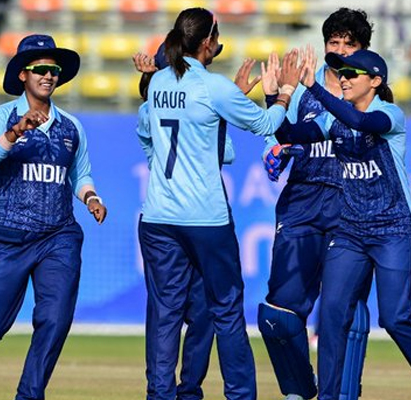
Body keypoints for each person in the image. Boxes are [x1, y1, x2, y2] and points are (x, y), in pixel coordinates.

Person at [136, 7, 301, 400]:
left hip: (158, 216)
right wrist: (286, 91)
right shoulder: (214, 87)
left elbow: (150, 132)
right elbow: (266, 125)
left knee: (164, 313)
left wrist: (161, 170)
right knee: (225, 309)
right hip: (205, 219)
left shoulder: (157, 83)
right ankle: (239, 395)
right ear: (208, 42)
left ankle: (160, 395)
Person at [279, 45, 411, 400]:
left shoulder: (390, 114)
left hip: (393, 230)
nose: (343, 79)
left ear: (375, 81)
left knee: (394, 318)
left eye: (350, 74)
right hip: (350, 231)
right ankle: (328, 396)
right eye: (339, 73)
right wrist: (278, 95)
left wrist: (313, 87)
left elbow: (360, 123)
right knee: (332, 314)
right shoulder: (332, 120)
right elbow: (289, 135)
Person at [0, 34, 107, 400]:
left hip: (58, 235)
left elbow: (80, 174)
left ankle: (29, 395)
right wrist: (16, 131)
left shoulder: (71, 126)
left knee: (55, 320)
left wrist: (91, 197)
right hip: (8, 235)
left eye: (54, 70)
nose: (48, 76)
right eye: (40, 69)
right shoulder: (2, 117)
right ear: (23, 74)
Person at [257, 9, 374, 400]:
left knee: (347, 311)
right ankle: (299, 391)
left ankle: (340, 395)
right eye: (333, 42)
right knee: (278, 314)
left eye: (349, 44)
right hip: (302, 201)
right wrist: (274, 150)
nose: (339, 50)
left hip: (351, 204)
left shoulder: (372, 92)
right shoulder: (302, 88)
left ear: (363, 49)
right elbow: (278, 135)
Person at [132, 42, 257, 400]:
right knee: (202, 312)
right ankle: (185, 390)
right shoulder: (163, 106)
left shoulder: (154, 105)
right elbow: (226, 153)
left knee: (175, 313)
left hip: (165, 216)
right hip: (200, 216)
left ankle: (169, 392)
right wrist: (225, 105)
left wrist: (219, 109)